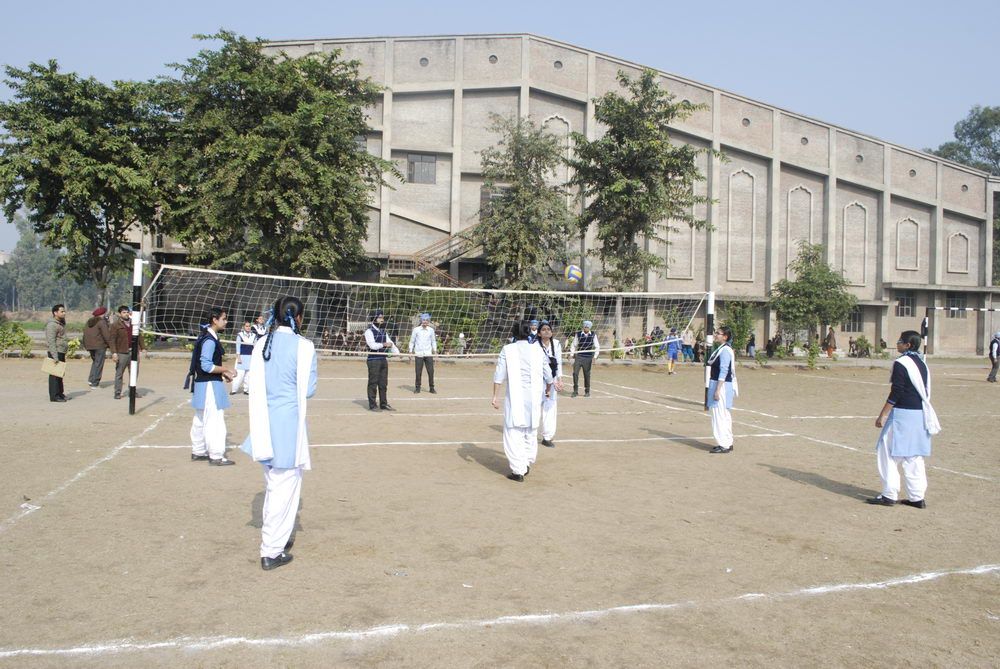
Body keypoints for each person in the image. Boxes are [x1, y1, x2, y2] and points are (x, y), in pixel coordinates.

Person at [241, 296, 318, 570]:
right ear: (298, 318)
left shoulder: (263, 343)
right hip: (288, 426)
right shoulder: (304, 346)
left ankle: (276, 541)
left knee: (275, 486)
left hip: (264, 422)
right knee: (283, 490)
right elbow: (308, 389)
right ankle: (271, 550)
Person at [867, 330, 940, 508]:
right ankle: (917, 497)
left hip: (903, 414)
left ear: (908, 345)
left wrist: (883, 414)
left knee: (887, 452)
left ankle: (889, 494)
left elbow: (897, 391)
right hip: (919, 414)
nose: (897, 344)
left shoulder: (901, 363)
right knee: (913, 456)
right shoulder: (922, 363)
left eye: (900, 341)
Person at [492, 320, 554, 481]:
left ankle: (518, 470)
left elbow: (499, 375)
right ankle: (526, 462)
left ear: (513, 333)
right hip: (534, 398)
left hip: (516, 398)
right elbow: (549, 376)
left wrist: (495, 397)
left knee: (513, 432)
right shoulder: (538, 350)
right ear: (529, 332)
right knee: (530, 430)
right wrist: (548, 390)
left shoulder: (508, 349)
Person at [185, 307, 236, 466]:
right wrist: (226, 369)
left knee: (200, 419)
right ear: (214, 320)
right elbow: (206, 366)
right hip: (209, 386)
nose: (226, 321)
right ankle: (216, 456)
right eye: (224, 318)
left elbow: (206, 366)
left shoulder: (205, 336)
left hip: (203, 384)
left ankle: (198, 451)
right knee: (214, 420)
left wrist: (222, 373)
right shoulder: (209, 340)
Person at [706, 326, 738, 454]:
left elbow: (724, 370)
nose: (715, 335)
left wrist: (718, 390)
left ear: (725, 337)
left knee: (719, 415)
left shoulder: (725, 350)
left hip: (722, 386)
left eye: (718, 333)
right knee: (724, 415)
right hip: (722, 384)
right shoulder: (723, 349)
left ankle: (724, 444)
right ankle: (727, 442)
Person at [365, 309, 400, 411]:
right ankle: (372, 405)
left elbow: (391, 343)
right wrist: (383, 344)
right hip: (373, 360)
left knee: (383, 383)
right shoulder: (369, 331)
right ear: (374, 319)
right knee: (373, 383)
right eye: (380, 317)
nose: (382, 319)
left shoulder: (383, 331)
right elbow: (372, 345)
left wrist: (398, 353)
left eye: (382, 317)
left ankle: (383, 404)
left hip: (383, 359)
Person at [537, 321, 563, 448]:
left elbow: (558, 362)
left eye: (549, 329)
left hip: (552, 380)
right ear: (539, 333)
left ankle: (547, 437)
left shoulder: (556, 344)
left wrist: (559, 379)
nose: (546, 331)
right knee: (535, 406)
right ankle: (529, 433)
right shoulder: (534, 345)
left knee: (550, 406)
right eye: (543, 329)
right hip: (537, 379)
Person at [110, 306, 141, 400]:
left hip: (134, 352)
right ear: (120, 314)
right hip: (122, 352)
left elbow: (139, 336)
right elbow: (112, 340)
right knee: (119, 373)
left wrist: (143, 348)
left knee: (134, 373)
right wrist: (114, 353)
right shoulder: (115, 325)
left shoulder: (134, 323)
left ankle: (132, 391)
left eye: (127, 312)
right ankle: (117, 392)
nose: (126, 314)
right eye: (124, 312)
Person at [83, 306, 113, 388]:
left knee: (95, 362)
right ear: (102, 314)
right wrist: (111, 346)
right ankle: (95, 382)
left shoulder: (89, 322)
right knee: (99, 364)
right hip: (99, 345)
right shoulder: (101, 322)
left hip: (90, 345)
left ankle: (91, 379)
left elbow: (85, 334)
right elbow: (106, 335)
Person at [408, 312, 437, 394]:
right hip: (419, 353)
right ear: (421, 320)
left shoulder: (431, 330)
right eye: (424, 320)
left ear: (428, 321)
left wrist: (435, 351)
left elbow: (433, 341)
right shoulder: (416, 330)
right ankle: (417, 388)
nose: (425, 321)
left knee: (431, 371)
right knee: (418, 372)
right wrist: (410, 351)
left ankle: (432, 388)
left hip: (428, 353)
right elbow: (412, 341)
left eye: (427, 320)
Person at [45, 304, 69, 402]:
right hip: (55, 352)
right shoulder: (52, 325)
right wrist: (55, 356)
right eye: (62, 311)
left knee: (60, 374)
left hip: (61, 351)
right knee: (54, 375)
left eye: (64, 311)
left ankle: (60, 393)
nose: (64, 313)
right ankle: (54, 396)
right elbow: (51, 341)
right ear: (55, 313)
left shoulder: (60, 323)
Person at [570, 320, 600, 397]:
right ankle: (575, 391)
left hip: (588, 357)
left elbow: (597, 346)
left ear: (590, 327)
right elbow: (573, 344)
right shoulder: (578, 334)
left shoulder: (593, 335)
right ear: (583, 327)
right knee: (575, 373)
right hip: (579, 356)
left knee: (587, 374)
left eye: (588, 327)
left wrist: (595, 357)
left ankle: (587, 391)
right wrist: (571, 354)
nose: (586, 328)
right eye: (585, 326)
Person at [231, 321, 255, 394]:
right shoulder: (240, 335)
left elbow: (255, 346)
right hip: (242, 357)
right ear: (243, 327)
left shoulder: (254, 335)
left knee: (248, 375)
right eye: (246, 326)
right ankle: (234, 390)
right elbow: (238, 346)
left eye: (249, 326)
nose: (248, 327)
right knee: (239, 375)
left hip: (250, 357)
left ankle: (246, 390)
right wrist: (238, 357)